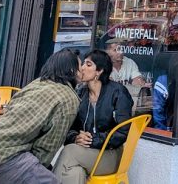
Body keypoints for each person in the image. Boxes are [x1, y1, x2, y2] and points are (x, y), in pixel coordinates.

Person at [0, 49, 81, 184]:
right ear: (72, 70)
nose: (83, 71)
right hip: (5, 159)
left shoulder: (37, 83)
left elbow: (10, 108)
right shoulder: (68, 98)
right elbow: (47, 146)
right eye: (80, 67)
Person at [53, 50, 134, 184]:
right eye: (83, 63)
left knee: (69, 152)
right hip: (86, 154)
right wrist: (76, 137)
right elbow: (69, 129)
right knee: (74, 172)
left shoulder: (118, 92)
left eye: (88, 65)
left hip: (111, 155)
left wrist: (93, 140)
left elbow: (122, 131)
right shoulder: (80, 93)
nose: (82, 68)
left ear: (99, 71)